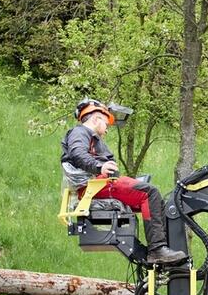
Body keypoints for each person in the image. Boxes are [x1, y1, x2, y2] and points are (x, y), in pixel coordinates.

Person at [61, 99, 186, 265]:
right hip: (96, 186)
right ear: (96, 118)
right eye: (106, 124)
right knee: (149, 193)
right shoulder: (80, 132)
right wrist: (100, 166)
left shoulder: (89, 137)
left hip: (100, 184)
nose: (106, 130)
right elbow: (77, 154)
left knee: (155, 202)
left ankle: (163, 247)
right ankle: (157, 250)